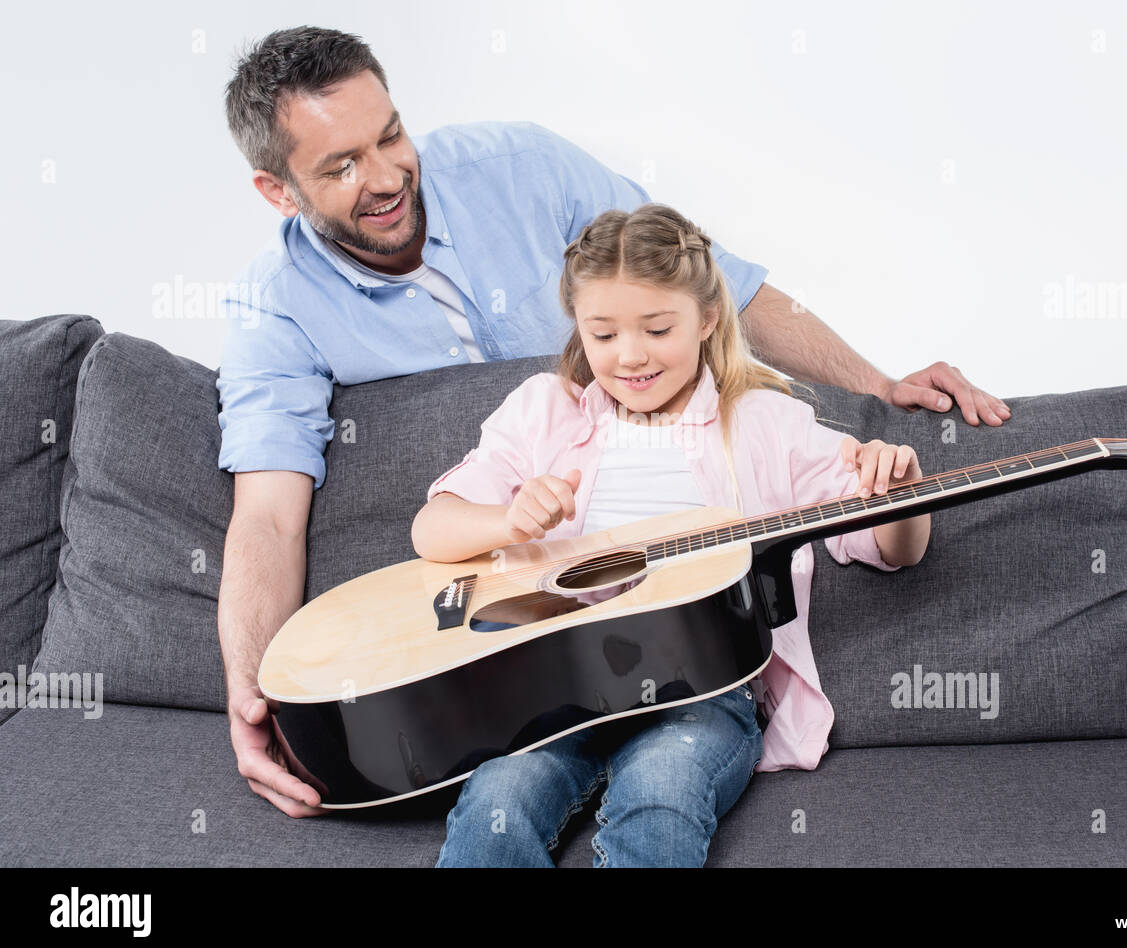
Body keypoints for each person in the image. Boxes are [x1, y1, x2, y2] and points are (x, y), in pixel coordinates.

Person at [216, 26, 998, 819]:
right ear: (278, 190)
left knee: (660, 792)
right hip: (518, 646)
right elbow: (269, 519)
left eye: (389, 136)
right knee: (504, 799)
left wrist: (877, 384)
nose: (386, 176)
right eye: (341, 166)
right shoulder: (273, 310)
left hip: (690, 662)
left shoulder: (522, 168)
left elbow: (718, 283)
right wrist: (256, 702)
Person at [411, 203, 931, 866]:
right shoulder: (543, 410)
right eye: (602, 334)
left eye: (657, 328)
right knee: (497, 802)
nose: (630, 355)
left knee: (662, 795)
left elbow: (893, 548)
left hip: (702, 694)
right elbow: (433, 529)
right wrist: (504, 520)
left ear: (707, 317)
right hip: (552, 690)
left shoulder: (765, 422)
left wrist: (901, 492)